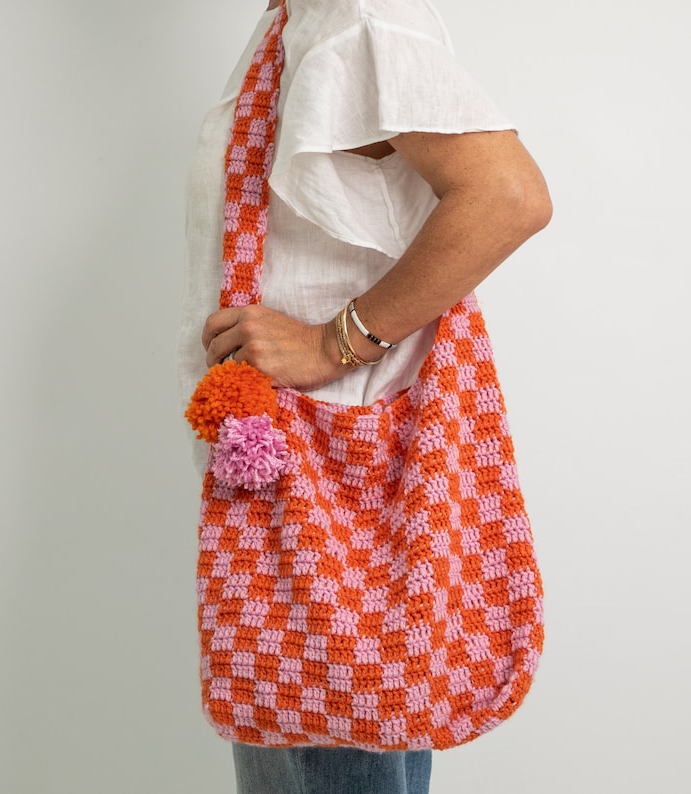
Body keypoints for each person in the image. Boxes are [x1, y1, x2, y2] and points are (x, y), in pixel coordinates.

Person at [177, 1, 551, 791]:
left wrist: (328, 343)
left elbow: (507, 196)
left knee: (339, 728)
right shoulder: (298, 18)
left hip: (344, 506)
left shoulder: (360, 18)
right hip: (297, 477)